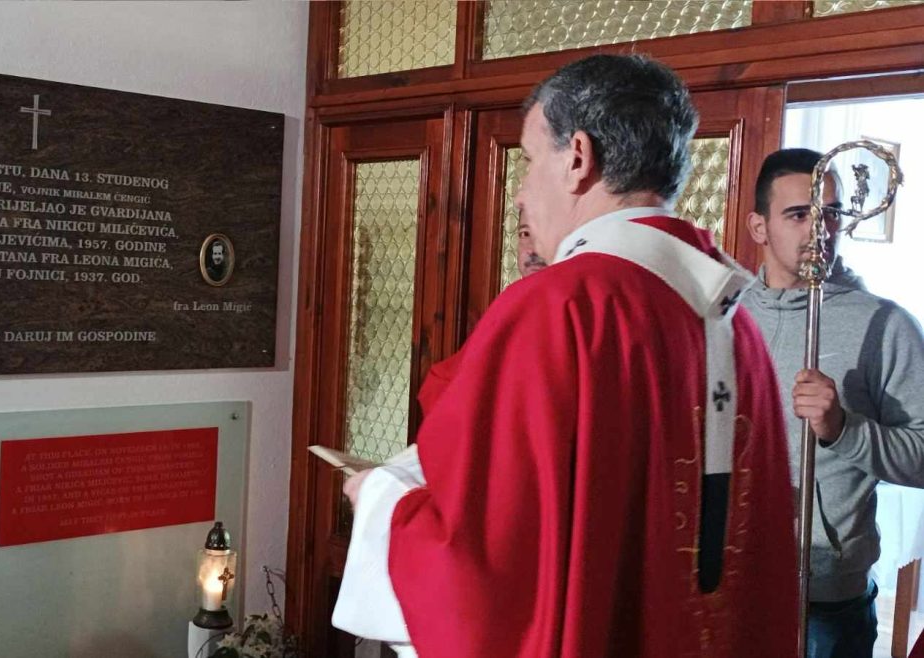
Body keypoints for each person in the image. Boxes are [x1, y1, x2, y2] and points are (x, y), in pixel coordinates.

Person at [332, 54, 798, 658]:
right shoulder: (732, 319)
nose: (520, 194)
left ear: (577, 157)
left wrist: (379, 501)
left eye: (529, 161)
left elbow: (485, 564)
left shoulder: (561, 306)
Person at [742, 148, 924, 658]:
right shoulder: (725, 317)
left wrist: (844, 429)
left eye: (830, 213)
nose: (819, 230)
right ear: (759, 227)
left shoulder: (885, 326)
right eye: (799, 214)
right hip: (730, 578)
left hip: (825, 598)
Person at [416, 211, 545, 414]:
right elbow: (441, 386)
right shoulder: (510, 305)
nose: (532, 250)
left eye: (544, 232)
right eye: (525, 234)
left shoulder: (570, 307)